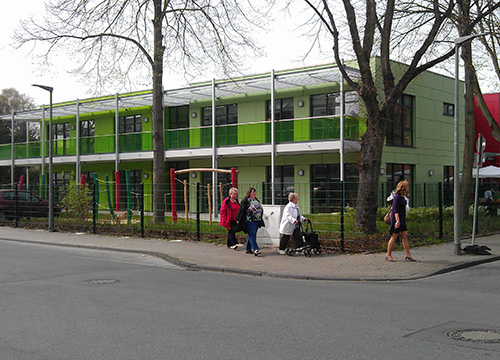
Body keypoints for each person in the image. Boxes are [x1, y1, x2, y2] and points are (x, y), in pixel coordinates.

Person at [386, 180, 416, 262]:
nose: (408, 187)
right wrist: (397, 221)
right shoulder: (397, 197)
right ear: (403, 187)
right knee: (394, 236)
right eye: (407, 186)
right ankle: (388, 254)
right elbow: (395, 210)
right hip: (397, 219)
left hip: (402, 218)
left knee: (405, 236)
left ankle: (408, 254)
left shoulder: (403, 196)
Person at [235, 187, 265, 256]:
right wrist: (238, 219)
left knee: (252, 234)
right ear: (249, 193)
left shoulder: (256, 199)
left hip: (257, 219)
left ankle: (248, 248)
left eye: (255, 192)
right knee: (252, 233)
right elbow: (241, 210)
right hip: (249, 220)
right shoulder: (246, 200)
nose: (254, 194)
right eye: (253, 192)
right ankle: (255, 249)